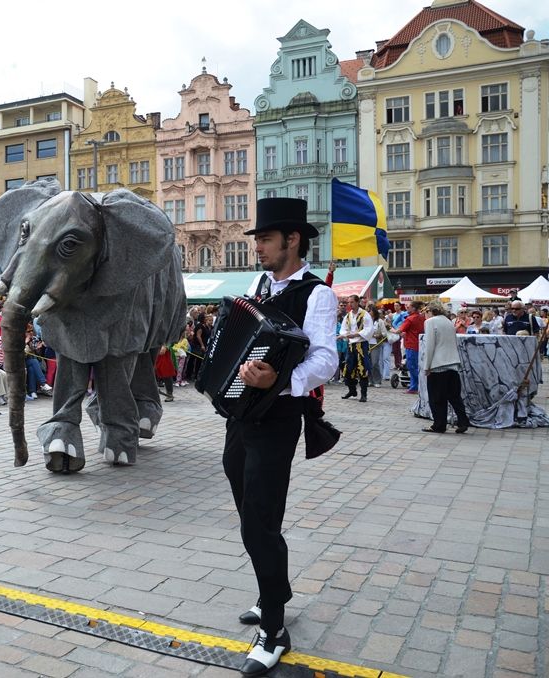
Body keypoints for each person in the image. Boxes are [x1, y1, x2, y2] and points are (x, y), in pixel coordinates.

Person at [224, 198, 337, 676]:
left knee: (259, 524)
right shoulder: (259, 286)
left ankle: (274, 629)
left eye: (265, 239)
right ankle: (273, 591)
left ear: (292, 240)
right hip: (241, 419)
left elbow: (326, 360)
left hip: (279, 420)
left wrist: (280, 382)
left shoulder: (317, 294)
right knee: (249, 512)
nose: (259, 248)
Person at [421, 301, 470, 434]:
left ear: (430, 311)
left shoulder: (430, 322)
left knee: (437, 398)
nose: (424, 315)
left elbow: (430, 345)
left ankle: (439, 424)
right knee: (454, 396)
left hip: (438, 364)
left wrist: (427, 366)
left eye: (425, 312)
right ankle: (463, 420)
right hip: (452, 363)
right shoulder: (449, 321)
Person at [338, 295, 373, 402]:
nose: (350, 304)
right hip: (351, 346)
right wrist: (345, 334)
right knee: (348, 369)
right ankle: (352, 390)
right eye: (349, 302)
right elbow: (343, 329)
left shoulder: (364, 314)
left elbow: (369, 329)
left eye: (352, 302)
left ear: (357, 302)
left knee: (362, 369)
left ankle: (364, 394)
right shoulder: (348, 316)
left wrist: (356, 334)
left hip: (361, 345)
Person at [398, 300, 426, 394]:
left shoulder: (410, 319)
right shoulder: (422, 317)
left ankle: (419, 385)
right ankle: (414, 386)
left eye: (408, 306)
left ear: (414, 308)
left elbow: (400, 330)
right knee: (416, 366)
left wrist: (389, 328)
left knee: (412, 366)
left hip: (411, 345)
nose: (406, 307)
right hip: (420, 344)